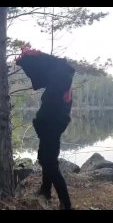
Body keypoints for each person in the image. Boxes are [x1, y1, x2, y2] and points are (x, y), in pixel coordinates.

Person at [16, 46, 75, 210]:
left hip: (51, 128)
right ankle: (45, 191)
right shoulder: (59, 86)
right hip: (49, 127)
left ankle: (66, 204)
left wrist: (38, 57)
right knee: (44, 158)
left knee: (50, 163)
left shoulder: (60, 83)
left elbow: (58, 66)